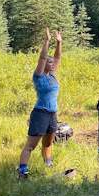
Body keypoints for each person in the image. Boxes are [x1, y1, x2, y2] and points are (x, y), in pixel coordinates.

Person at [18, 28, 62, 179]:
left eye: (52, 63)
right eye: (49, 62)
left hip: (52, 114)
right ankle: (22, 171)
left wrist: (58, 42)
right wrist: (47, 41)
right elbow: (43, 58)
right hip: (40, 113)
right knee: (31, 145)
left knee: (48, 143)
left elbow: (57, 57)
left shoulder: (53, 75)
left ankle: (48, 165)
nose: (52, 63)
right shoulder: (39, 76)